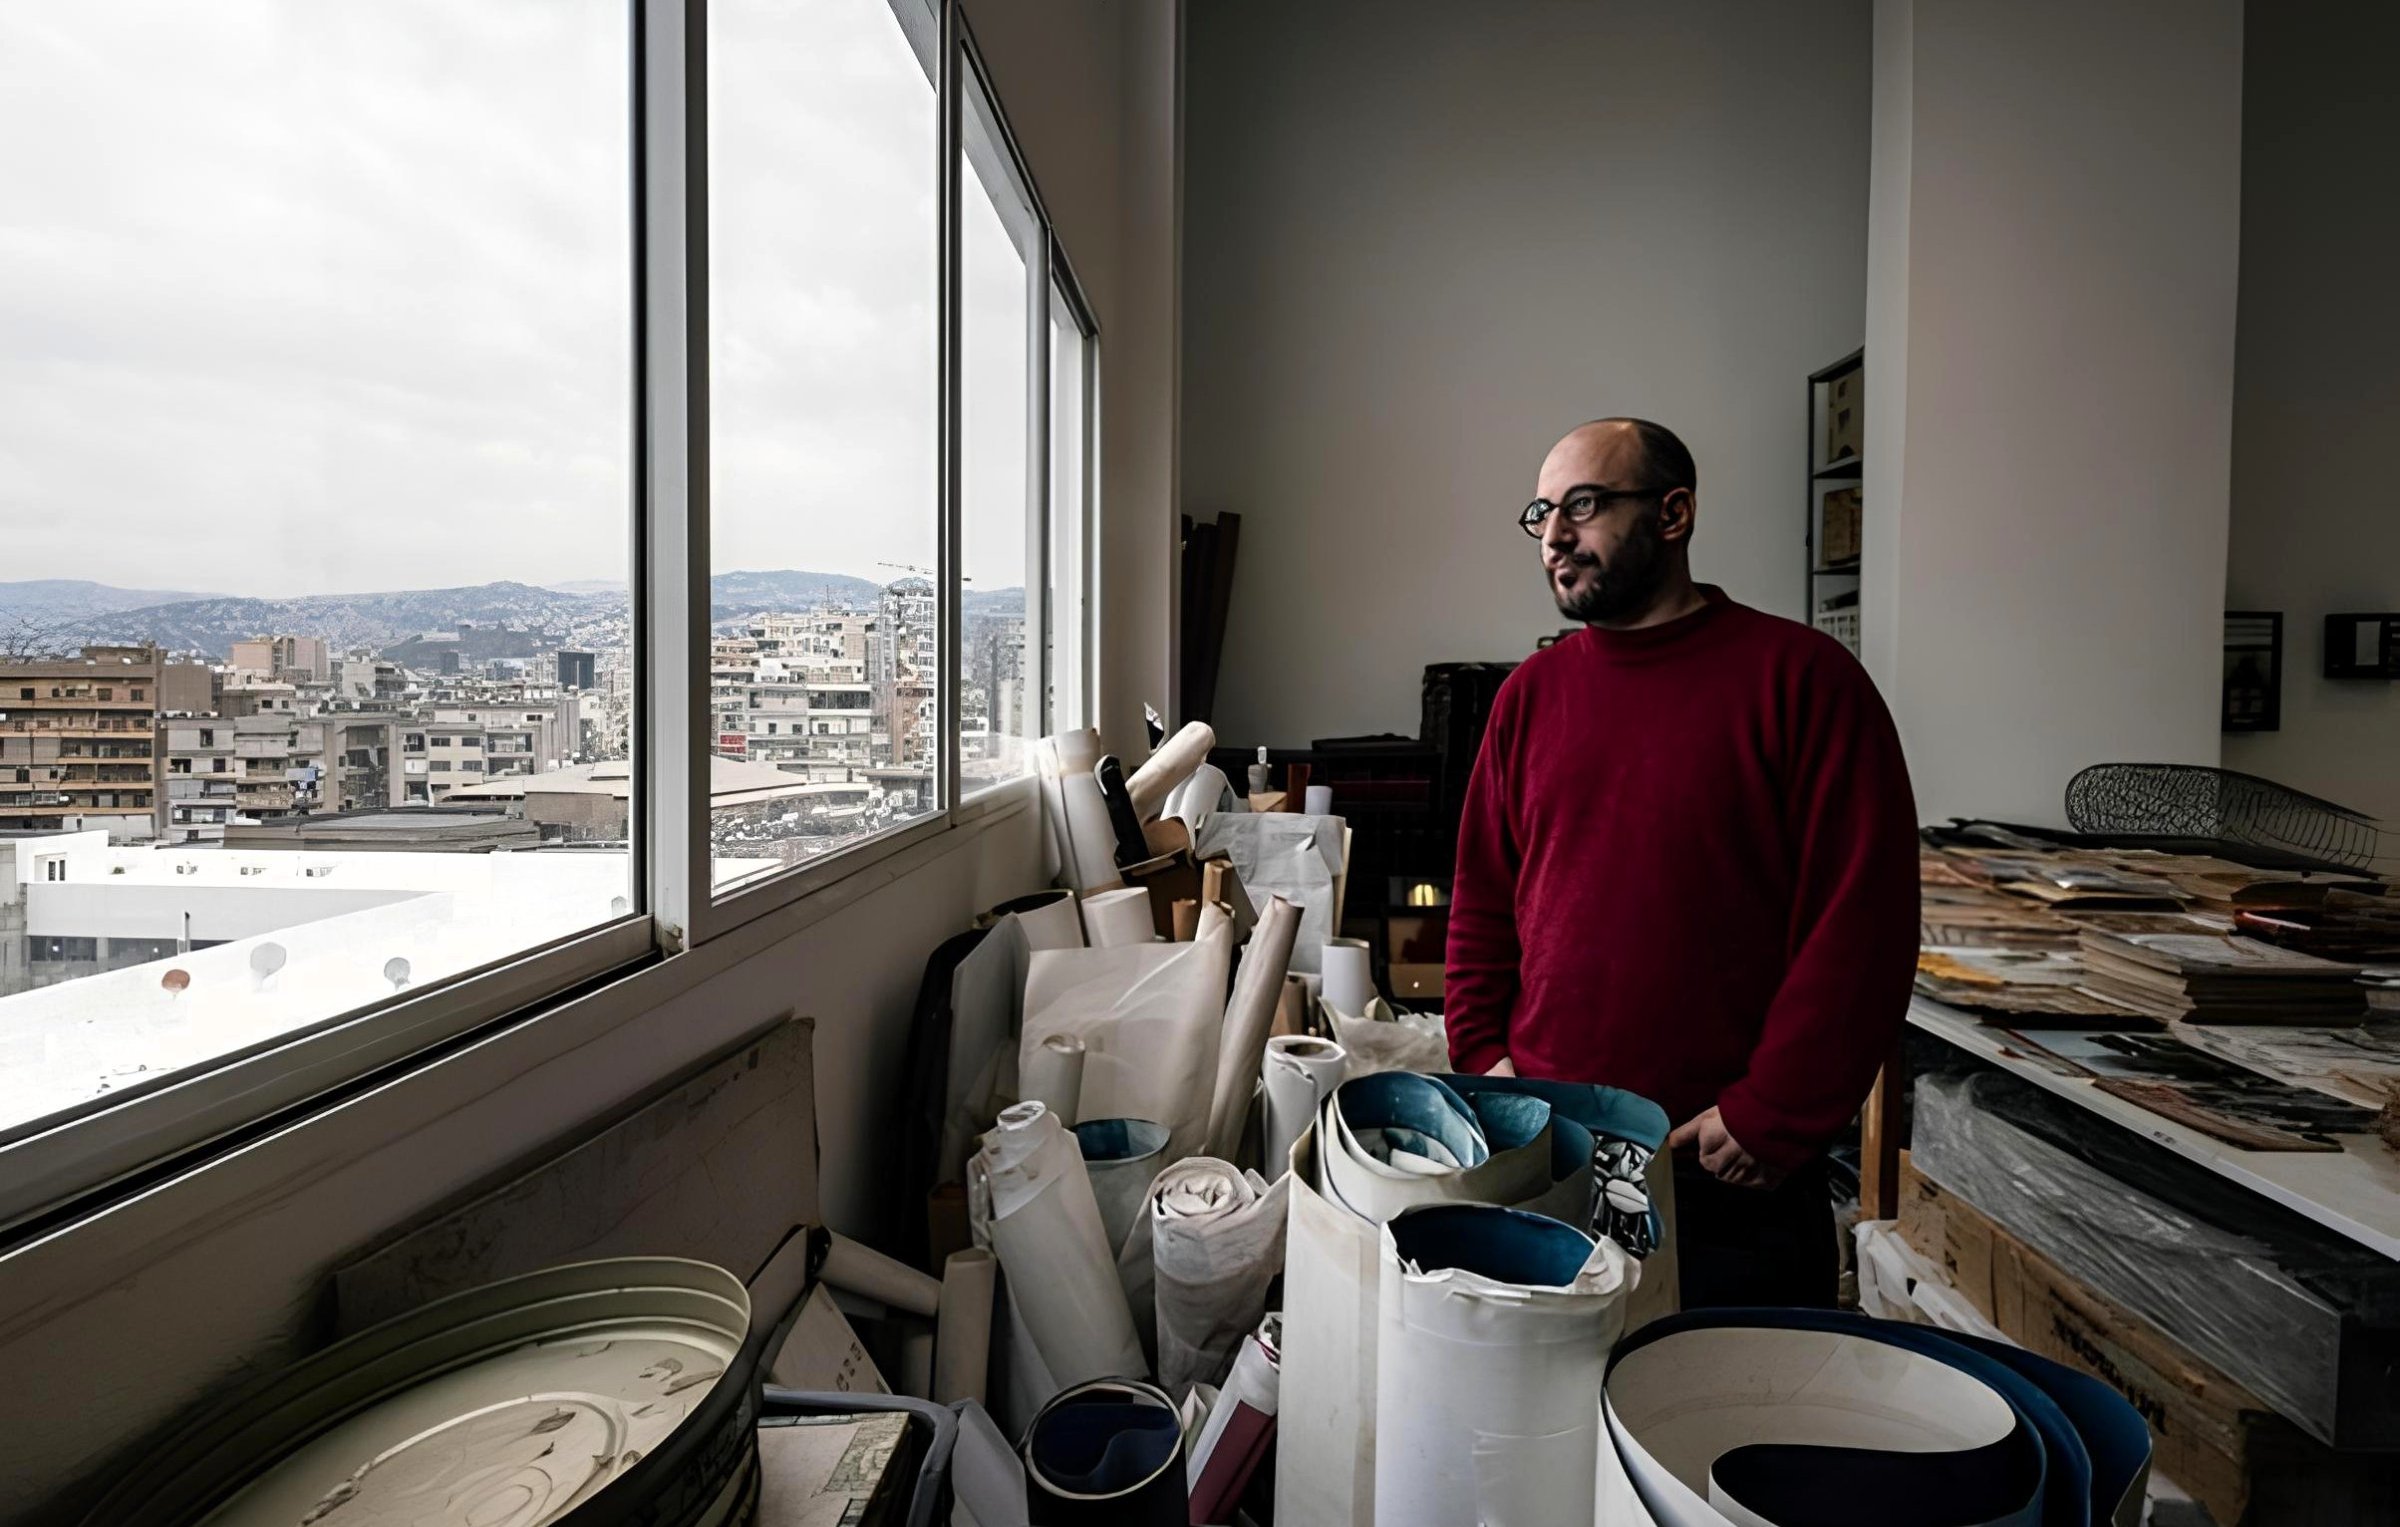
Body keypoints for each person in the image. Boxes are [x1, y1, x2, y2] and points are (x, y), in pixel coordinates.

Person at [1443, 417, 1920, 1307]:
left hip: (1726, 1174)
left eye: (1583, 504)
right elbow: (1481, 899)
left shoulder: (1803, 682)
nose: (1553, 535)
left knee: (1733, 1429)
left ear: (1674, 513)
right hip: (1551, 1161)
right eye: (1542, 511)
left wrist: (1774, 1111)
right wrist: (1484, 1057)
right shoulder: (1529, 698)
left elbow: (1864, 924)